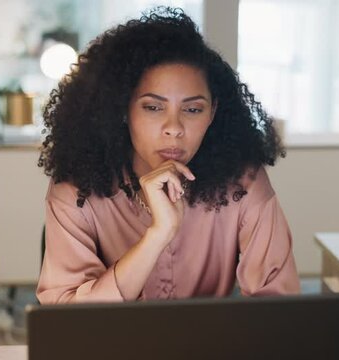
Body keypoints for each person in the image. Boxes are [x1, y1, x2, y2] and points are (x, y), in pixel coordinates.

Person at [36, 7, 300, 304]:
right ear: (123, 110)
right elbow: (68, 321)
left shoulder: (242, 183)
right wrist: (158, 234)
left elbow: (279, 307)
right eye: (153, 107)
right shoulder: (76, 189)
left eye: (192, 109)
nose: (173, 128)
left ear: (212, 112)